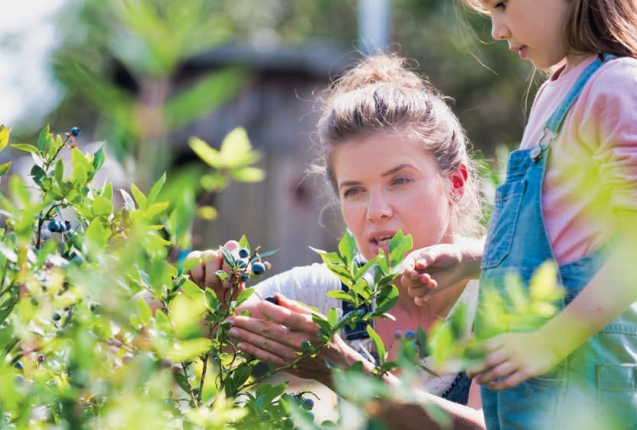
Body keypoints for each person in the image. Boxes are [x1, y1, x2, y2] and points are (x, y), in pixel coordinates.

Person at [402, 0, 637, 429]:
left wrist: (548, 343)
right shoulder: (552, 93)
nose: (497, 30)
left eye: (502, 5)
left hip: (581, 384)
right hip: (531, 383)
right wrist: (470, 260)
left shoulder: (618, 83)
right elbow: (565, 242)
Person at [188, 53, 487, 430]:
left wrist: (341, 367)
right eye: (355, 191)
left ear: (455, 183)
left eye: (399, 180)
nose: (376, 211)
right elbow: (153, 329)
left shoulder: (498, 294)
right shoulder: (330, 293)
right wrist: (206, 294)